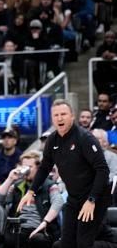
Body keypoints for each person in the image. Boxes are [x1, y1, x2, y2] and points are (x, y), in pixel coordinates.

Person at [18, 99, 111, 248]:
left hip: (96, 196)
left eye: (63, 114)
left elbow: (103, 170)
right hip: (74, 197)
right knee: (65, 243)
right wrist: (31, 191)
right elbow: (44, 168)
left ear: (72, 116)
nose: (59, 118)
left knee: (83, 243)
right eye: (56, 115)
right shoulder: (52, 140)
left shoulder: (84, 138)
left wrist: (92, 200)